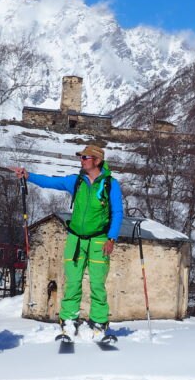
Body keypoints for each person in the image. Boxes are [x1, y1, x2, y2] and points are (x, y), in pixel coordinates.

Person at [9, 144, 123, 338]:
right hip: (75, 239)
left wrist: (111, 238)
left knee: (97, 283)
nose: (81, 160)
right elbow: (50, 182)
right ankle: (69, 320)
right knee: (72, 281)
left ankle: (99, 322)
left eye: (85, 157)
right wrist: (28, 176)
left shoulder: (110, 185)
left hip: (99, 240)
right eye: (81, 157)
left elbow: (117, 212)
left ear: (97, 160)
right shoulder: (76, 182)